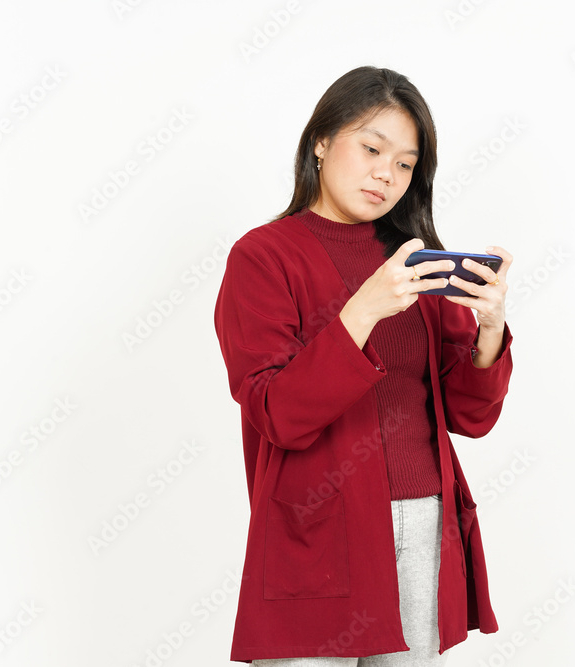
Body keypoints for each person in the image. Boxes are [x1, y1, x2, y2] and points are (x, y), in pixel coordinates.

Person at [214, 65, 514, 665]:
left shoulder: (416, 261)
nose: (386, 174)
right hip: (319, 531)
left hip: (423, 523)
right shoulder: (263, 256)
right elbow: (276, 413)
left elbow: (469, 417)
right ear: (321, 141)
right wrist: (362, 312)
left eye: (405, 164)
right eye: (372, 149)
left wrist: (489, 327)